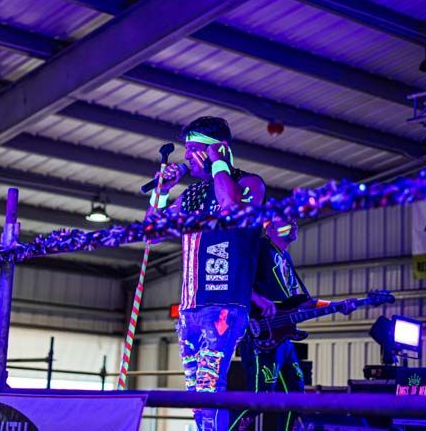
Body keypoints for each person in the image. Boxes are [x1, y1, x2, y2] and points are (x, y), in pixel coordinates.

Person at [147, 116, 265, 431]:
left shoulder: (248, 183)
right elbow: (152, 232)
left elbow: (230, 208)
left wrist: (218, 164)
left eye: (194, 150)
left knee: (210, 386)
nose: (186, 157)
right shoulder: (191, 195)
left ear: (217, 150)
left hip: (223, 303)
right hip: (190, 308)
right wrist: (162, 191)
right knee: (196, 396)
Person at [232, 217, 356, 431]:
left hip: (283, 338)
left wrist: (336, 305)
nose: (294, 223)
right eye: (286, 221)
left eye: (295, 221)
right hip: (260, 334)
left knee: (297, 399)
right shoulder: (259, 247)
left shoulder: (285, 258)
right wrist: (257, 298)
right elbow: (234, 278)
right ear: (269, 228)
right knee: (257, 400)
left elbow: (304, 302)